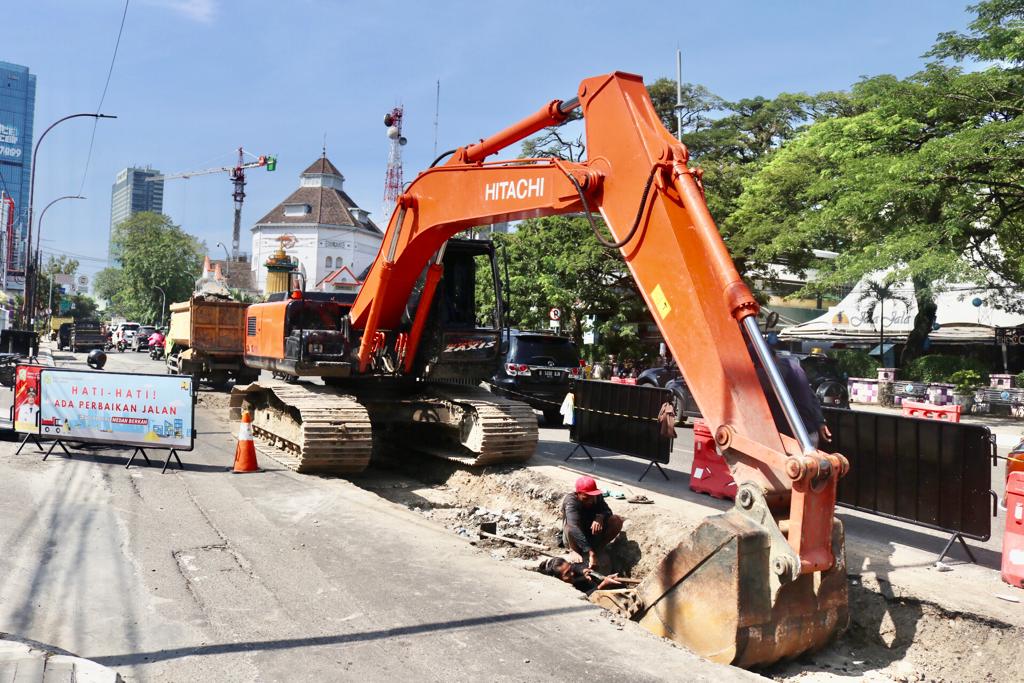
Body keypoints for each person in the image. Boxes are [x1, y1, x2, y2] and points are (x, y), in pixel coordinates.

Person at [562, 476, 624, 570]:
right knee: (571, 527)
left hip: (592, 533)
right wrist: (590, 552)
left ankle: (598, 549)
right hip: (574, 537)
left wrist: (600, 517)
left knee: (617, 520)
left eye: (592, 497)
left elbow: (608, 511)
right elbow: (573, 527)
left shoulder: (597, 496)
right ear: (578, 494)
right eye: (586, 498)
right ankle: (575, 551)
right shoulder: (571, 502)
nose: (590, 501)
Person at [537, 557, 623, 596]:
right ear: (558, 580)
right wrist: (602, 585)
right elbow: (583, 597)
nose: (572, 573)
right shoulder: (563, 593)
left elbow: (575, 566)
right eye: (567, 573)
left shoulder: (571, 572)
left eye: (570, 570)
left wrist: (583, 571)